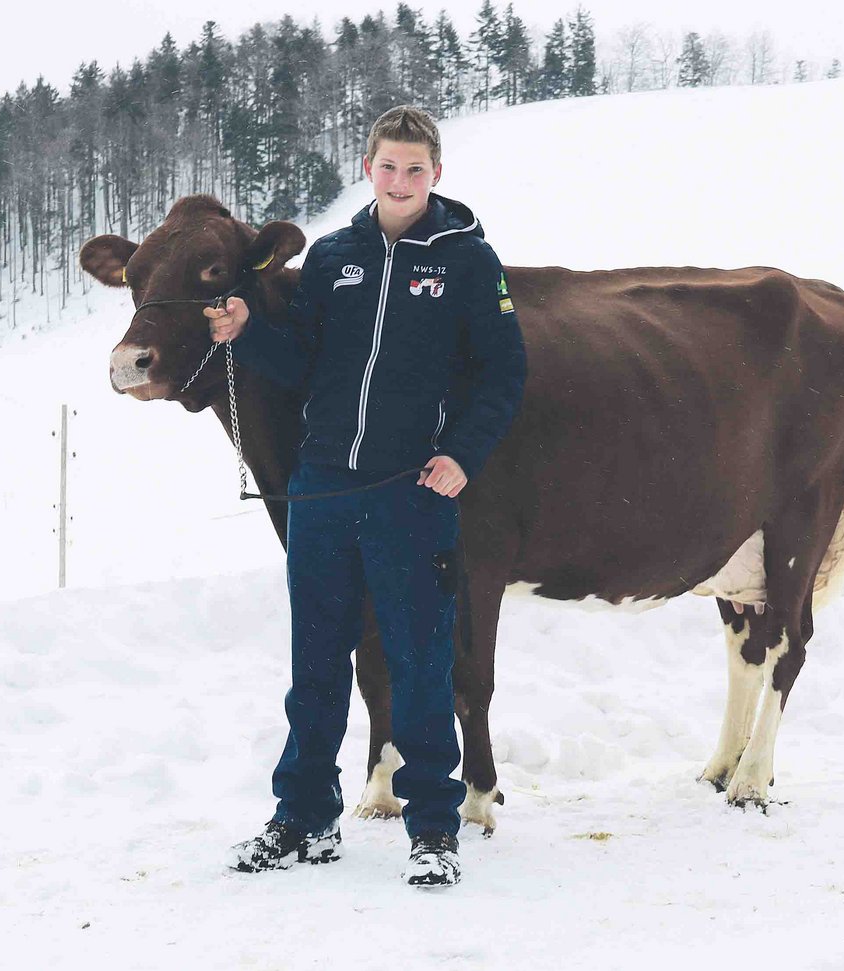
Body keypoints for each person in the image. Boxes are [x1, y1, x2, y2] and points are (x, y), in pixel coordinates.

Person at [205, 105, 526, 888]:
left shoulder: (467, 260)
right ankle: (304, 818)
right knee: (314, 662)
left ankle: (432, 828)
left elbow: (503, 372)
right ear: (367, 166)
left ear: (437, 174)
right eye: (389, 166)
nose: (401, 181)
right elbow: (302, 361)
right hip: (321, 490)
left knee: (418, 662)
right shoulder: (335, 256)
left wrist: (461, 455)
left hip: (409, 492)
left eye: (416, 169)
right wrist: (247, 329)